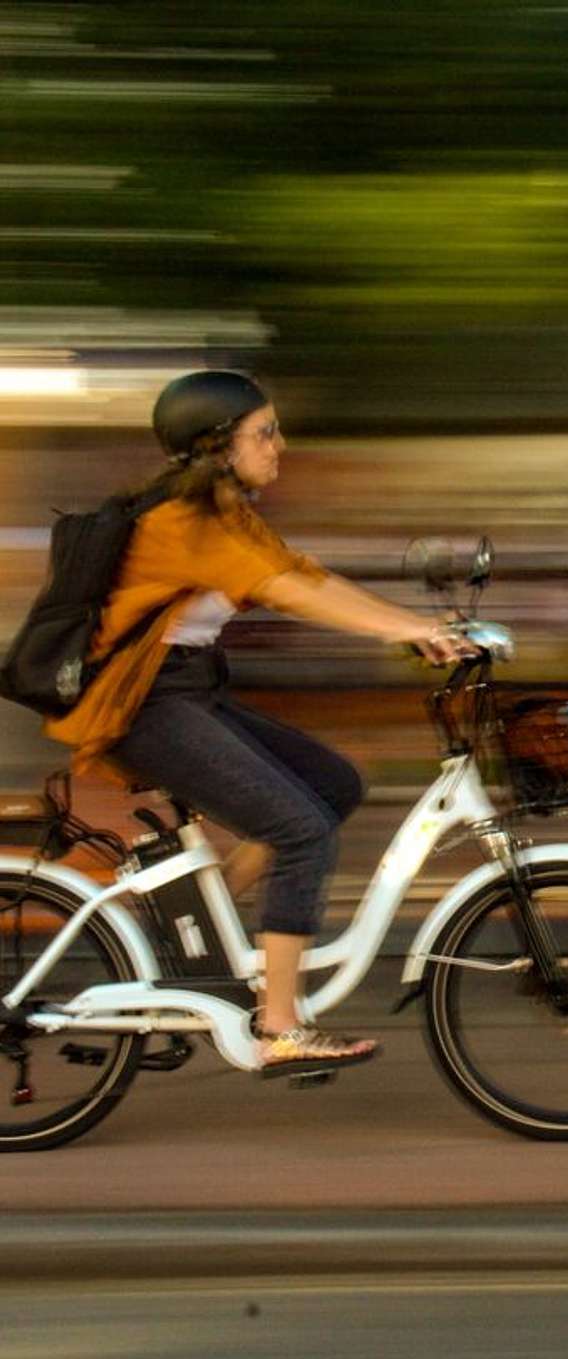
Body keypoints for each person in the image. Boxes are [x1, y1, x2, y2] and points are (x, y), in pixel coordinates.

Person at [44, 370, 477, 1073]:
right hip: (143, 706)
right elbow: (285, 593)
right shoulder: (182, 522)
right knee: (300, 829)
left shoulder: (225, 512)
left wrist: (421, 625)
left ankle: (197, 939)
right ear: (218, 445)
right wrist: (405, 630)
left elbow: (304, 574)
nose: (281, 444)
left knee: (331, 786)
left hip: (185, 691)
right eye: (265, 432)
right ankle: (278, 1025)